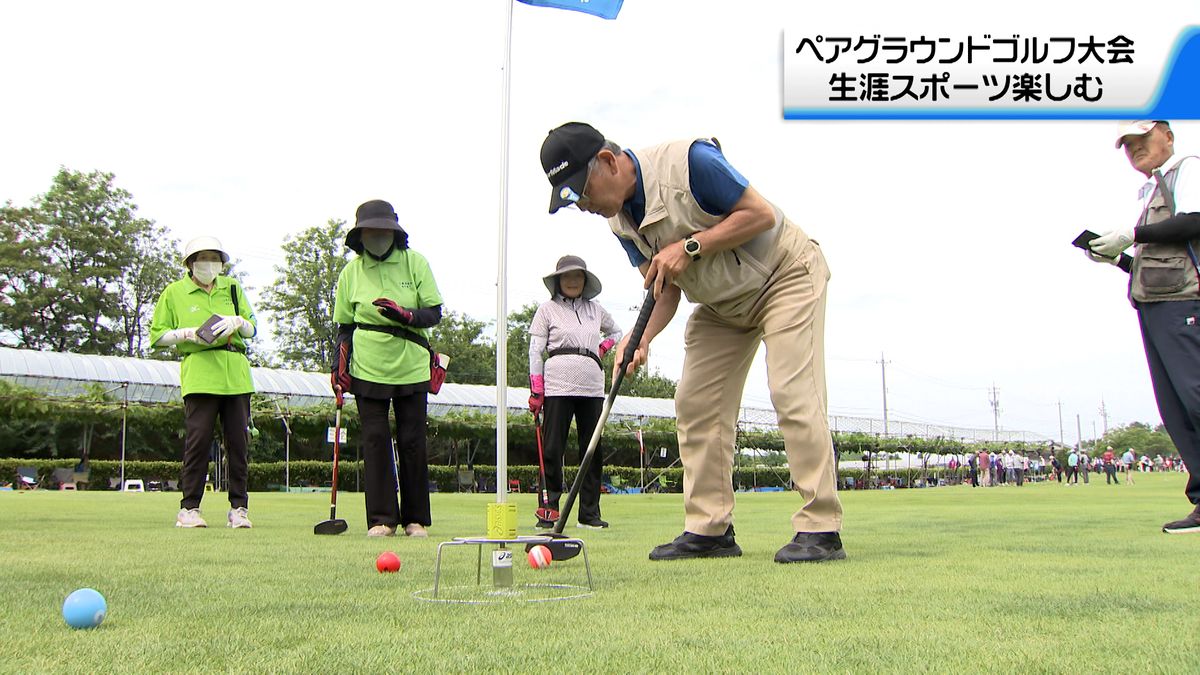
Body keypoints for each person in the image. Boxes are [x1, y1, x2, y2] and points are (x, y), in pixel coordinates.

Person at [539, 122, 842, 562]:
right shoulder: (619, 221)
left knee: (792, 392)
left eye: (580, 192)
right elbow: (664, 286)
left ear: (606, 161)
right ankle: (710, 529)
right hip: (722, 305)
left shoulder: (690, 163)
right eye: (570, 200)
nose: (581, 205)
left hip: (784, 275)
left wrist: (691, 247)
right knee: (695, 402)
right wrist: (637, 339)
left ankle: (822, 525)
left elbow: (760, 214)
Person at [1088, 121, 1200, 533]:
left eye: (1142, 139)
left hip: (1186, 304)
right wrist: (1118, 258)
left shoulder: (1188, 169)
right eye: (1128, 145)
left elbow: (1195, 221)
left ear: (1167, 135)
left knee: (1196, 397)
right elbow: (1154, 267)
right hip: (1155, 308)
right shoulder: (1152, 189)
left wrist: (1132, 233)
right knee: (1175, 409)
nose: (1134, 149)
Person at [331, 200, 443, 538]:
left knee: (412, 441)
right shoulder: (350, 272)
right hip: (367, 366)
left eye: (383, 231)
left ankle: (416, 519)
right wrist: (338, 367)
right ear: (360, 236)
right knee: (375, 441)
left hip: (410, 365)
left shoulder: (414, 263)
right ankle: (381, 519)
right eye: (371, 232)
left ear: (394, 233)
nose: (378, 236)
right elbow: (344, 327)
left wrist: (406, 315)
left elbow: (434, 312)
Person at [150, 236, 258, 529]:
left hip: (235, 372)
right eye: (201, 258)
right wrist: (185, 333)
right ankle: (189, 508)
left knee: (238, 444)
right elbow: (157, 337)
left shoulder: (232, 288)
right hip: (199, 374)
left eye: (214, 258)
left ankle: (239, 508)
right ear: (189, 263)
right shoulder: (174, 293)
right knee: (197, 443)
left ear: (222, 263)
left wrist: (238, 322)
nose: (208, 264)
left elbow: (252, 328)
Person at [527, 255, 623, 529]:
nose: (572, 281)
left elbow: (617, 331)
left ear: (584, 280)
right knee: (553, 447)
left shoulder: (596, 310)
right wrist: (537, 390)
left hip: (592, 386)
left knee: (591, 449)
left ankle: (589, 514)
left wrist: (601, 349)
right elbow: (536, 350)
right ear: (558, 281)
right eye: (567, 276)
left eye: (577, 276)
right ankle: (549, 509)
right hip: (557, 385)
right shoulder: (546, 310)